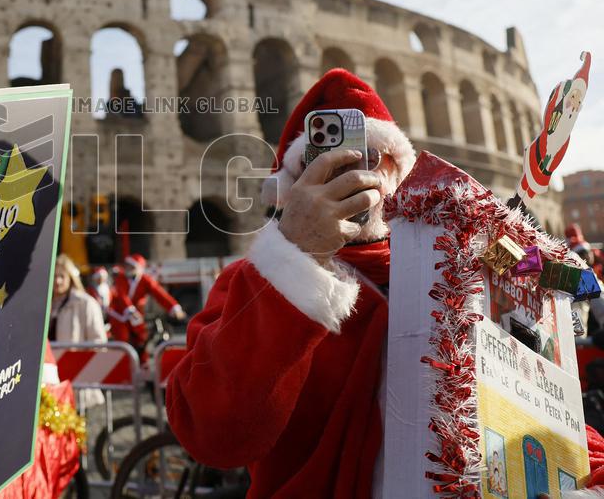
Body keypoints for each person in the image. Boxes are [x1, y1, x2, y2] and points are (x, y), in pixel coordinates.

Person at [165, 69, 421, 497]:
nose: (353, 170)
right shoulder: (254, 281)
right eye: (324, 161)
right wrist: (297, 254)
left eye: (371, 157)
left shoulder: (442, 268)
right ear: (294, 184)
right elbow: (210, 433)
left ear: (398, 174)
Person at [49, 254, 107, 409]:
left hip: (76, 381)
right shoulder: (44, 304)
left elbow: (98, 341)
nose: (57, 281)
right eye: (53, 276)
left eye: (61, 276)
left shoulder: (85, 303)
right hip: (50, 380)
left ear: (70, 277)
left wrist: (83, 367)